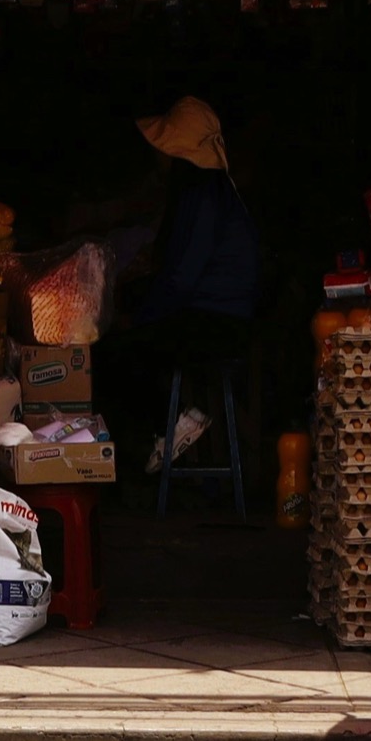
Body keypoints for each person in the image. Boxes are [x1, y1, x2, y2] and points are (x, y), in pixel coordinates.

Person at [119, 94, 260, 481]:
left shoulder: (204, 196)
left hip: (218, 324)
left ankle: (171, 427)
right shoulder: (206, 191)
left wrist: (139, 317)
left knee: (123, 353)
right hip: (216, 315)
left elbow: (180, 281)